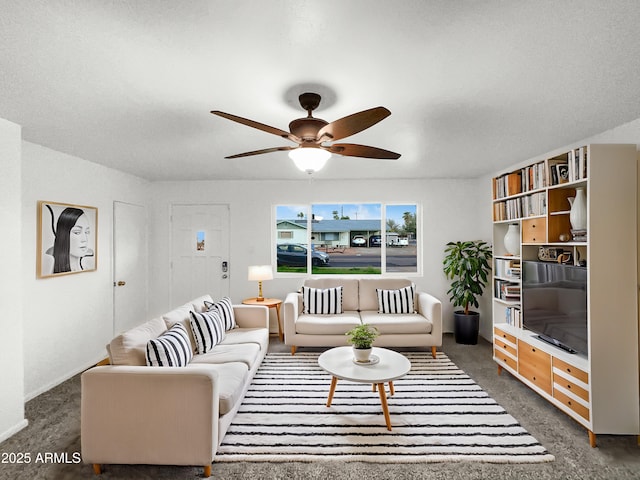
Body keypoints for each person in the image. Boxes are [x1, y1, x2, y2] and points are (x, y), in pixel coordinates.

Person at [43, 206, 95, 274]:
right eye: (77, 232)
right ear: (63, 235)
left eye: (87, 232)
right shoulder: (49, 261)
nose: (84, 239)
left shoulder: (89, 265)